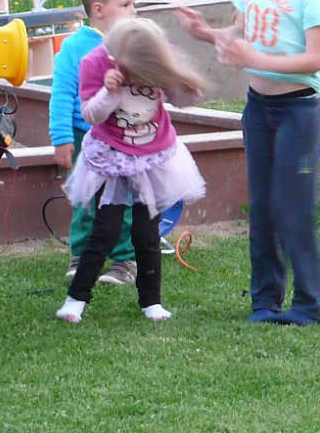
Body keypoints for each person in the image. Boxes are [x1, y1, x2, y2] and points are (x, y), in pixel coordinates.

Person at [178, 0, 320, 325]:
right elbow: (240, 33)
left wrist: (255, 59)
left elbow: (314, 60)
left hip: (298, 112)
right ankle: (264, 301)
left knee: (292, 207)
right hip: (258, 109)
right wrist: (207, 33)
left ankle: (309, 304)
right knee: (262, 205)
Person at [56, 18, 207, 323]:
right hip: (112, 157)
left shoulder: (160, 58)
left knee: (146, 233)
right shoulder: (95, 62)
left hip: (152, 157)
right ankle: (76, 298)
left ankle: (151, 301)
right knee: (105, 232)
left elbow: (182, 100)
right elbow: (91, 115)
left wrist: (187, 89)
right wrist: (109, 92)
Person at [51, 0, 140, 287]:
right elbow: (61, 94)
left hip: (124, 136)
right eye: (126, 4)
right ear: (99, 10)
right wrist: (62, 139)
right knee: (86, 198)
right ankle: (83, 255)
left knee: (125, 200)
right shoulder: (74, 48)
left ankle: (124, 260)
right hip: (84, 135)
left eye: (134, 4)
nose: (134, 11)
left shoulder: (133, 43)